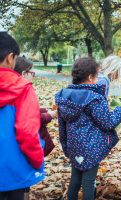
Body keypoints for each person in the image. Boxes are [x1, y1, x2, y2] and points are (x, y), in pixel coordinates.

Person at [55, 57, 121, 200]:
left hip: (73, 147)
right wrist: (120, 111)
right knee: (88, 183)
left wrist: (66, 146)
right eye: (97, 76)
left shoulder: (64, 96)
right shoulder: (94, 98)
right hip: (91, 148)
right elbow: (107, 123)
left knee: (74, 181)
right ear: (90, 77)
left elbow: (62, 126)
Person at [0, 32, 44, 200]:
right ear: (11, 57)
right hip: (13, 174)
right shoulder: (23, 89)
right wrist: (38, 160)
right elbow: (27, 132)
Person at [14, 56, 57, 157]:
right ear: (24, 73)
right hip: (30, 145)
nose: (33, 76)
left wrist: (43, 110)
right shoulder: (23, 91)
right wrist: (50, 115)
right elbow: (32, 118)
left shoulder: (16, 89)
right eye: (32, 73)